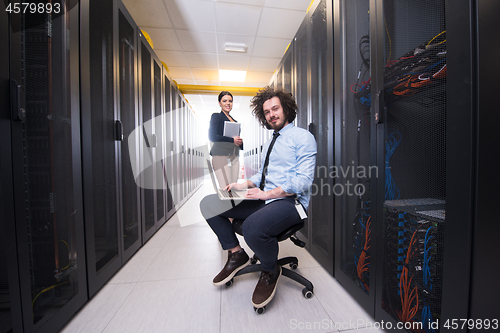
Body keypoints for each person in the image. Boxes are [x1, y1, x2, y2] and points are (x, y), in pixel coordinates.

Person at [200, 86, 317, 309]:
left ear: (286, 109)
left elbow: (303, 181)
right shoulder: (270, 141)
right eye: (267, 112)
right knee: (209, 204)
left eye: (275, 109)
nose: (271, 114)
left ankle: (270, 269)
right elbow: (262, 174)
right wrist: (242, 184)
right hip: (264, 199)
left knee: (253, 227)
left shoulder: (303, 137)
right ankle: (236, 254)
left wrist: (268, 193)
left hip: (290, 203)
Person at [209, 91, 243, 188]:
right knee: (225, 187)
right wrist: (232, 140)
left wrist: (239, 142)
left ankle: (233, 203)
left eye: (230, 101)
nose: (228, 103)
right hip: (220, 156)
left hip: (234, 156)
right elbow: (212, 137)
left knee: (233, 186)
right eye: (224, 101)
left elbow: (235, 139)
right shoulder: (216, 116)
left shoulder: (235, 121)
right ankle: (225, 203)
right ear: (219, 103)